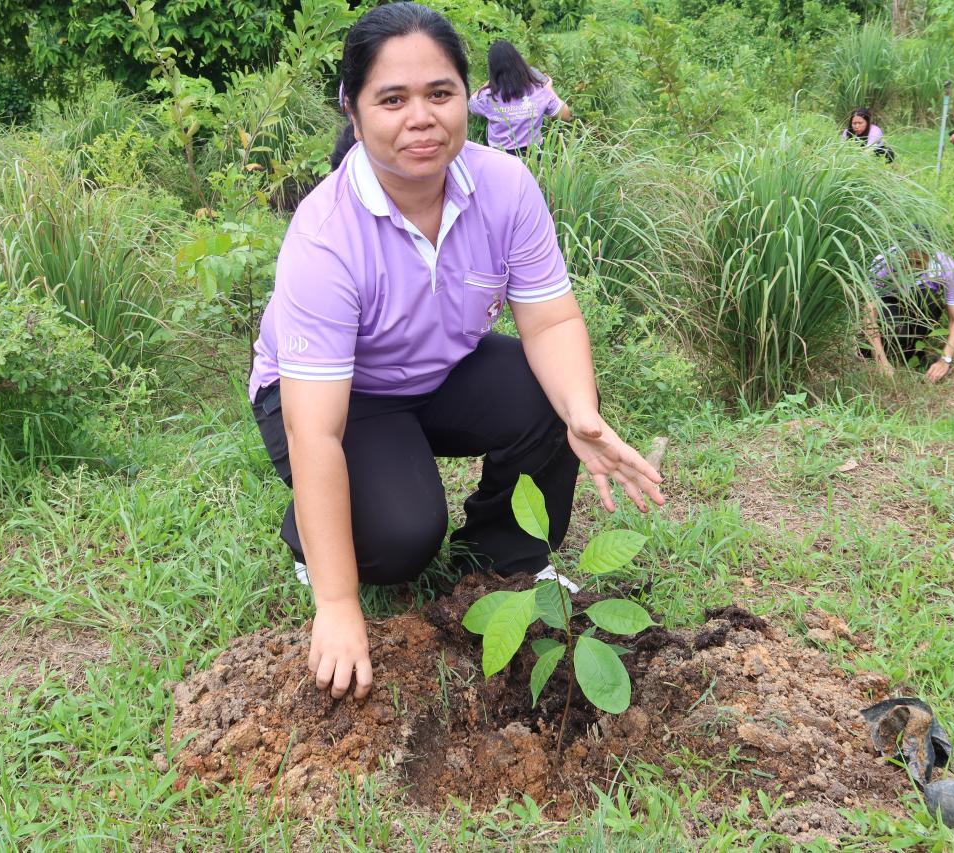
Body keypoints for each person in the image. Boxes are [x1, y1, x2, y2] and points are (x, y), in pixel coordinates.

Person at [248, 3, 664, 702]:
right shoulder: (326, 233)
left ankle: (504, 559)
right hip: (335, 399)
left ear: (465, 98)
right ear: (353, 111)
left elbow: (552, 320)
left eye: (440, 94)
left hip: (439, 369)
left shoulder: (504, 186)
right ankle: (313, 537)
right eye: (393, 99)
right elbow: (313, 429)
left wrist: (581, 411)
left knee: (547, 394)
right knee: (403, 540)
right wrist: (339, 603)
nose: (421, 117)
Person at [862, 239, 954, 384]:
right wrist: (881, 362)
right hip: (891, 309)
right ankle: (876, 349)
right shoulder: (884, 261)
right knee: (895, 326)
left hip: (922, 312)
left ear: (930, 256)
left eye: (918, 263)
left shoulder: (945, 265)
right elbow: (869, 314)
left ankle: (912, 350)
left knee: (926, 297)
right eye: (908, 263)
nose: (913, 269)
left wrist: (945, 360)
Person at [468, 40, 571, 157]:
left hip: (498, 158)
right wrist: (549, 89)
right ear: (518, 62)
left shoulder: (488, 95)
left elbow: (470, 104)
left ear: (492, 68)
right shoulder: (539, 90)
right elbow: (566, 115)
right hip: (533, 158)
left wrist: (491, 82)